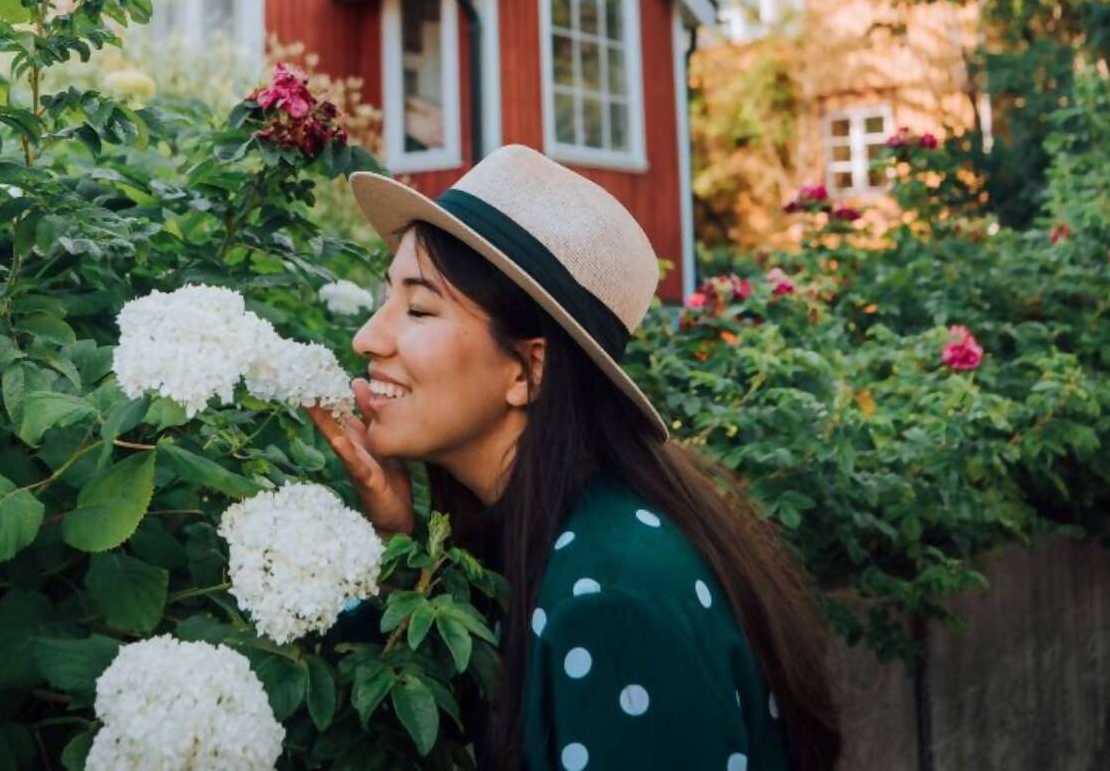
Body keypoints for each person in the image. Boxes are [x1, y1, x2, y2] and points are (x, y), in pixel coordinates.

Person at [308, 144, 841, 771]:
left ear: (529, 369)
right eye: (387, 299)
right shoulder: (535, 544)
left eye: (419, 308)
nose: (367, 337)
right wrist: (392, 539)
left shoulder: (610, 598)